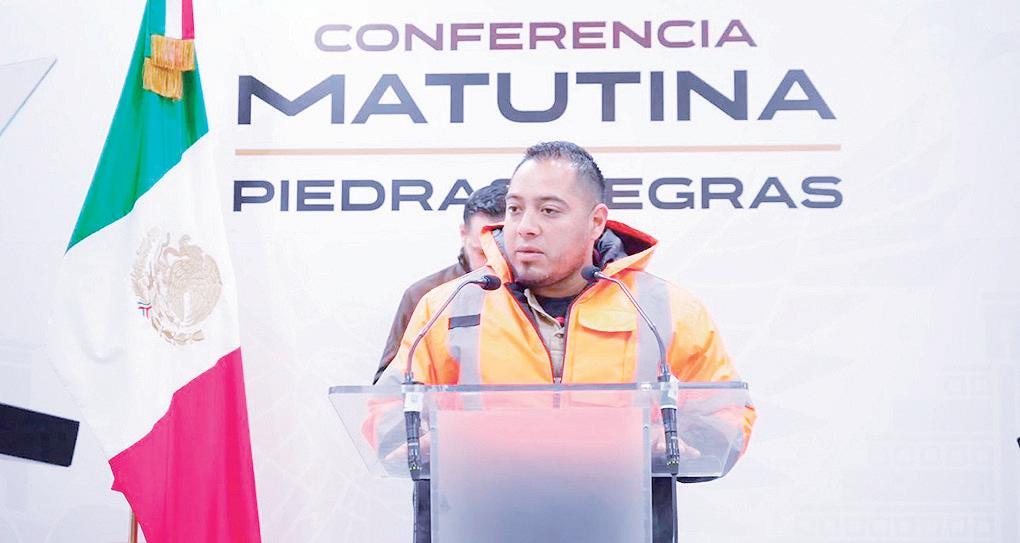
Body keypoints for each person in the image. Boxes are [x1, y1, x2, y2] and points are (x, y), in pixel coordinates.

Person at [380, 141, 755, 542]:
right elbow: (386, 410)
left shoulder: (661, 307)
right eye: (515, 209)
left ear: (596, 222)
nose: (524, 226)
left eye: (549, 211)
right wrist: (420, 441)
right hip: (477, 528)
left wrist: (680, 440)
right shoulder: (450, 305)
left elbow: (726, 415)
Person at [372, 180, 507, 383]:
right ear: (463, 234)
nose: (493, 261)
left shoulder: (537, 293)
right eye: (482, 252)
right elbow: (389, 384)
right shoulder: (424, 295)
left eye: (501, 251)